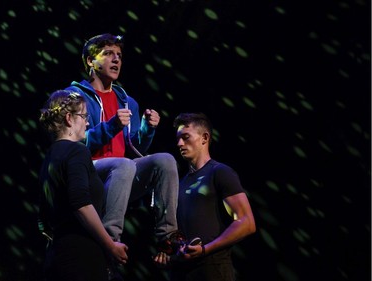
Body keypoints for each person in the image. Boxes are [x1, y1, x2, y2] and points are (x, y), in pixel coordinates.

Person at [65, 33, 182, 255]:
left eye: (119, 55)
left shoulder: (128, 102)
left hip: (121, 175)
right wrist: (111, 126)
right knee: (124, 164)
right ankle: (109, 240)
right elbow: (75, 143)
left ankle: (168, 237)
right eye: (108, 54)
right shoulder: (74, 97)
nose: (116, 59)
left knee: (165, 160)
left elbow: (136, 148)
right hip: (89, 173)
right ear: (90, 61)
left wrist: (147, 129)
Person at [37, 90, 129, 281]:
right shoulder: (77, 152)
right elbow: (81, 204)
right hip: (81, 259)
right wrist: (110, 246)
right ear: (69, 119)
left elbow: (43, 219)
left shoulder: (49, 158)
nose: (87, 123)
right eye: (84, 116)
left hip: (56, 258)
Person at [153, 112, 256, 281]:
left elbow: (247, 222)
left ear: (204, 138)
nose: (179, 143)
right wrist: (168, 256)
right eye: (178, 138)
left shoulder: (220, 172)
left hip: (212, 270)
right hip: (182, 273)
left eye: (186, 137)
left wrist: (206, 249)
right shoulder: (180, 182)